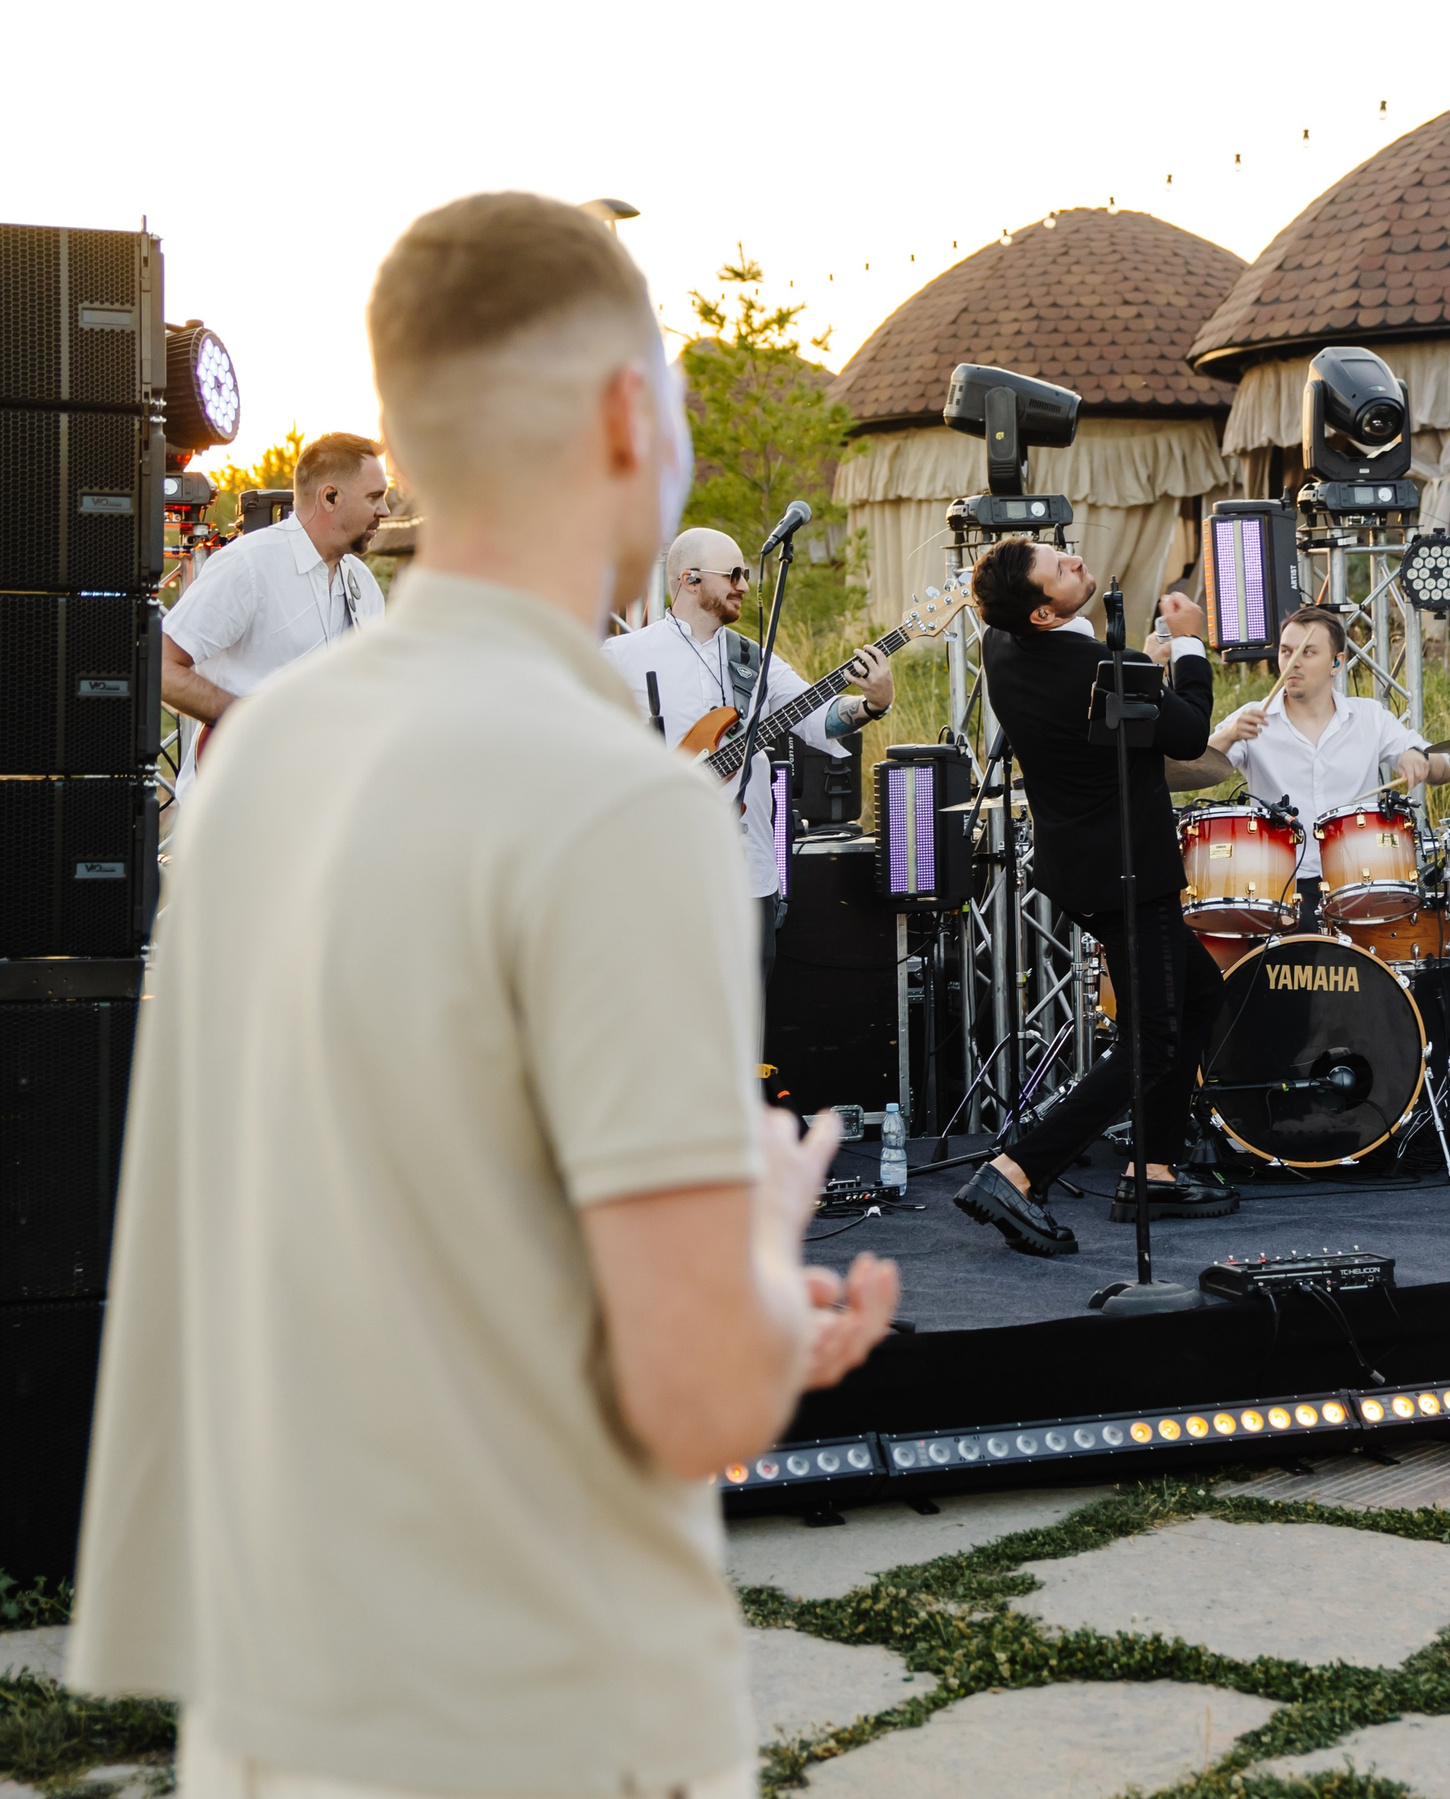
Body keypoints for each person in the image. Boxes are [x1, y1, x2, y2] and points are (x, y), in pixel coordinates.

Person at [67, 193, 901, 1799]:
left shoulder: (258, 771)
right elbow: (690, 1386)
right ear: (615, 415)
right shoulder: (626, 804)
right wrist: (755, 1258)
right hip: (533, 1700)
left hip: (283, 1691)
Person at [955, 538, 1233, 1252]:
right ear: (1044, 611)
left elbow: (1110, 704)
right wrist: (1190, 644)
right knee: (1152, 1044)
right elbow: (1189, 732)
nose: (1075, 559)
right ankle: (1018, 1170)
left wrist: (1143, 669)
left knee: (1198, 993)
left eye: (1062, 551)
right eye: (1060, 567)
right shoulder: (1097, 667)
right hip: (1129, 872)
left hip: (1078, 865)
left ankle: (1154, 1166)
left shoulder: (1003, 645)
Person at [601, 525, 893, 969]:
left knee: (747, 1017)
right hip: (659, 875)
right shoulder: (623, 657)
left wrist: (872, 702)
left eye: (745, 574)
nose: (743, 585)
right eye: (733, 574)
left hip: (747, 872)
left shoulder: (753, 660)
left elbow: (819, 719)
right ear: (690, 579)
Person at [160, 432, 392, 795]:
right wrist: (247, 718)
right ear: (330, 497)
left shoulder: (362, 583)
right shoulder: (248, 565)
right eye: (375, 497)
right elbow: (162, 668)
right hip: (237, 804)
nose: (385, 510)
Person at [1198, 606, 1450, 920]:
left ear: (1336, 663)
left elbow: (1445, 767)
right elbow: (1195, 767)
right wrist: (1231, 735)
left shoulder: (1368, 717)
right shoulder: (1254, 717)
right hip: (1283, 888)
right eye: (1286, 651)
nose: (1292, 662)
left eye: (1307, 652)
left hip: (1361, 883)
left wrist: (1419, 757)